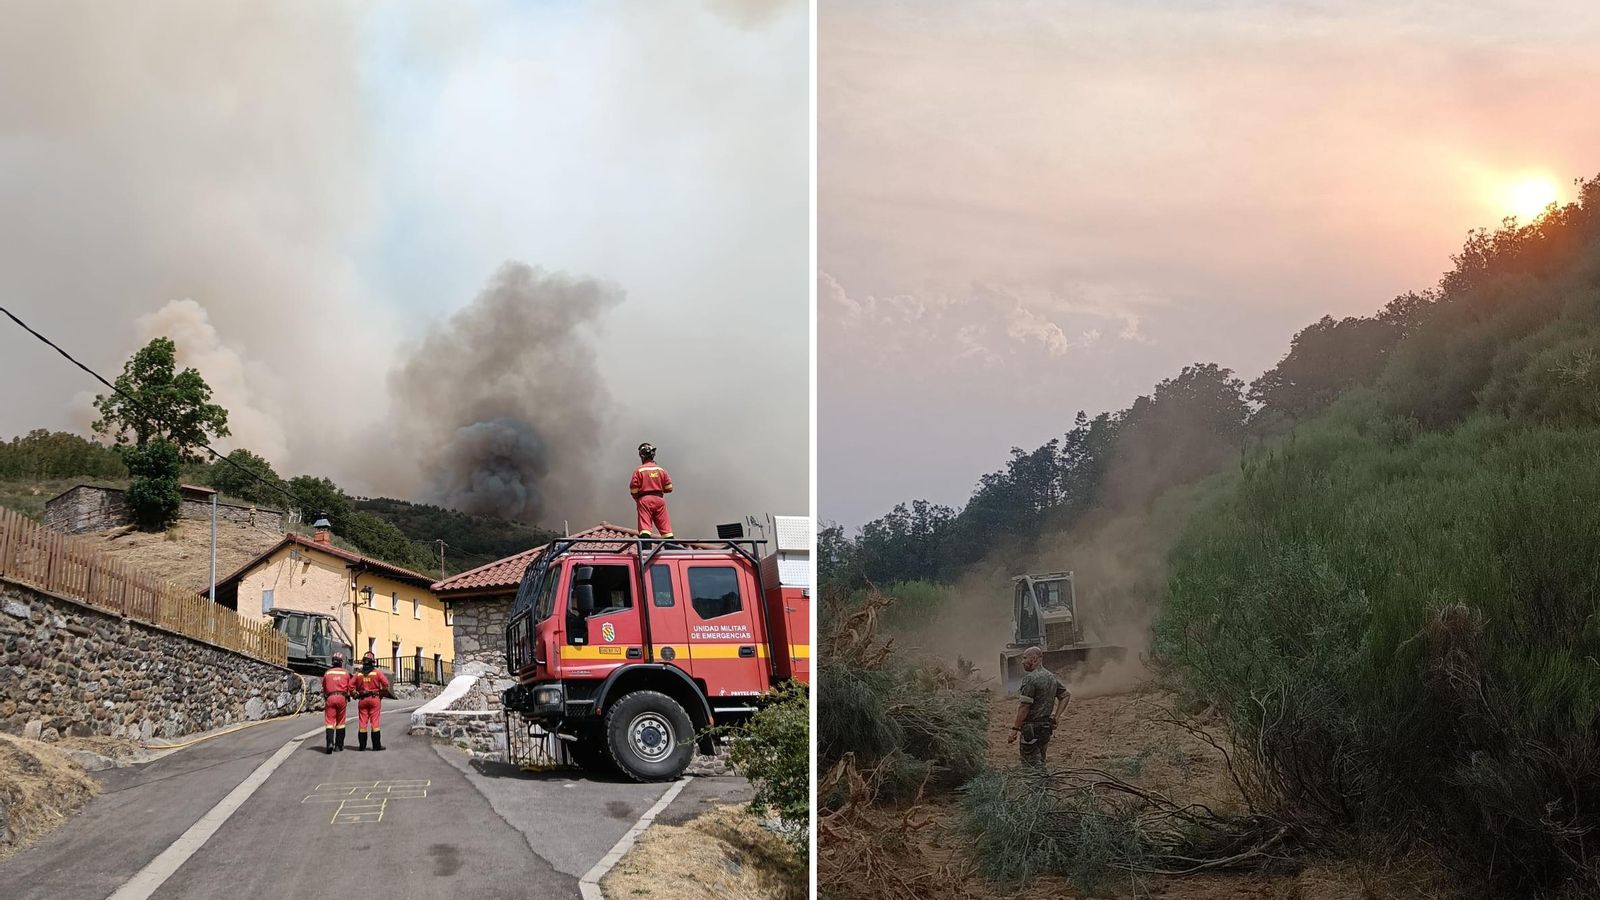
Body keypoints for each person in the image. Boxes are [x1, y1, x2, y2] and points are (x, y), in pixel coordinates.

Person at [1006, 646, 1070, 767]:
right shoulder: (1051, 677)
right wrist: (1056, 717)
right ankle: (1043, 783)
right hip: (1046, 729)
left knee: (1030, 767)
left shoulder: (1030, 679)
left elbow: (1024, 707)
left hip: (1031, 730)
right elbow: (1065, 695)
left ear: (1034, 659)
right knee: (1041, 761)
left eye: (1025, 658)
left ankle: (1037, 785)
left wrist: (1014, 730)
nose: (1022, 661)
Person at [630, 442, 675, 538]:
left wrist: (638, 497)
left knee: (645, 527)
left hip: (644, 500)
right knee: (666, 529)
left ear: (642, 456)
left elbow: (633, 490)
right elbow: (669, 488)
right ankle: (671, 549)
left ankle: (646, 550)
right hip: (659, 500)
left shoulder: (639, 470)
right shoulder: (661, 470)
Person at [350, 651, 392, 751]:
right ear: (372, 662)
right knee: (375, 723)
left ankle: (362, 746)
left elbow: (350, 686)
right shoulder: (377, 672)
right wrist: (381, 694)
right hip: (374, 700)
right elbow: (386, 684)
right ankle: (376, 746)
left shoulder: (359, 674)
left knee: (362, 723)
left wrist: (355, 694)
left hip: (363, 700)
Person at [322, 652, 351, 753]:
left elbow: (324, 687)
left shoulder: (327, 673)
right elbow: (349, 687)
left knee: (330, 722)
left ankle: (329, 743)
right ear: (341, 662)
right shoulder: (345, 673)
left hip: (330, 697)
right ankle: (339, 746)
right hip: (342, 698)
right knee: (341, 722)